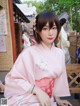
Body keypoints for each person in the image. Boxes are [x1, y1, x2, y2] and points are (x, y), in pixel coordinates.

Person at [4, 11, 72, 106]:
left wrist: (58, 99)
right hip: (28, 98)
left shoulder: (60, 53)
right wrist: (37, 90)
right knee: (3, 103)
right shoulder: (28, 53)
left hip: (48, 99)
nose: (50, 33)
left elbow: (57, 80)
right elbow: (13, 79)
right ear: (37, 30)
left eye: (54, 28)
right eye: (45, 28)